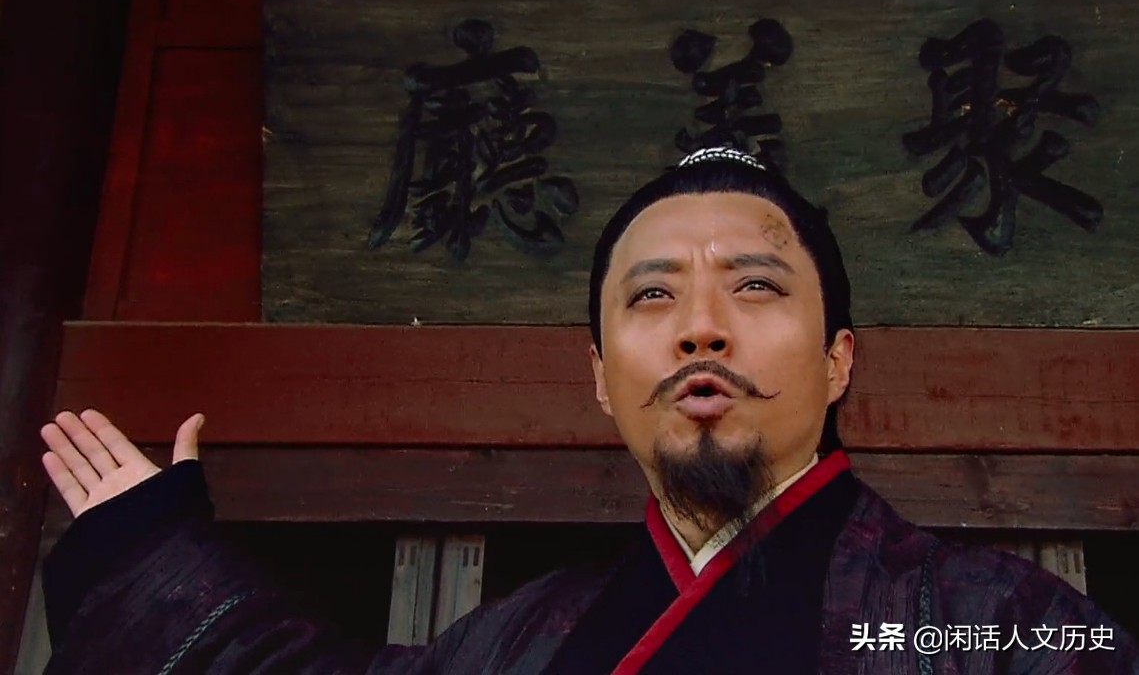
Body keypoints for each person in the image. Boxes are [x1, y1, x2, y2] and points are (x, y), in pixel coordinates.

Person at [39, 147, 1139, 674]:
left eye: (755, 286)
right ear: (603, 376)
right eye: (651, 296)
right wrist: (153, 556)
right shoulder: (519, 641)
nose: (700, 327)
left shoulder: (997, 624)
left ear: (838, 357)